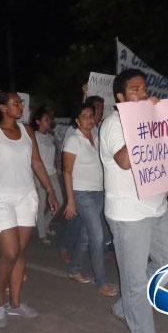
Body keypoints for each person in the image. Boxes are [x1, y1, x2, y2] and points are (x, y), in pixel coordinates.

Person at [100, 69, 168, 333]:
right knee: (135, 281)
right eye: (135, 89)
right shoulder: (113, 123)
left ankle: (124, 306)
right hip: (129, 215)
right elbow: (124, 161)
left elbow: (160, 165)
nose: (143, 93)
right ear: (120, 96)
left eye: (144, 88)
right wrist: (145, 122)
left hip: (158, 208)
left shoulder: (153, 123)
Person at [0, 91, 58, 328]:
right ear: (2, 108)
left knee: (21, 253)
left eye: (21, 103)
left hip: (26, 196)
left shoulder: (27, 131)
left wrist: (50, 189)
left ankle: (15, 303)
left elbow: (36, 162)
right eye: (15, 103)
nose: (20, 107)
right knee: (9, 253)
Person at [63, 103, 117, 296]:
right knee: (97, 236)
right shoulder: (73, 140)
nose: (89, 118)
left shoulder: (96, 136)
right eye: (84, 116)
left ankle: (74, 269)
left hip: (98, 193)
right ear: (77, 121)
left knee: (87, 236)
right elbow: (67, 171)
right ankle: (101, 282)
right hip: (81, 193)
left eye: (91, 115)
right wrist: (70, 200)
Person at [30, 106, 63, 244]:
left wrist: (57, 166)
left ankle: (45, 224)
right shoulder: (34, 137)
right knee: (42, 203)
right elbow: (33, 159)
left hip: (52, 173)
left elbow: (54, 154)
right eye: (45, 119)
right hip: (39, 175)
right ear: (38, 121)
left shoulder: (50, 137)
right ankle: (42, 233)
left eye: (49, 119)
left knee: (59, 202)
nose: (49, 121)